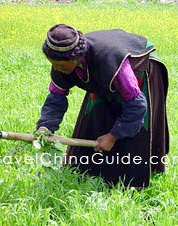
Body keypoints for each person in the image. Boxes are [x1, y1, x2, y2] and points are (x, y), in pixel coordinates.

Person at [36, 24, 169, 188]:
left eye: (61, 66)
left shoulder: (109, 61)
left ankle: (129, 184)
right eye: (54, 65)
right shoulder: (62, 64)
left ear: (76, 59)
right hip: (103, 76)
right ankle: (91, 173)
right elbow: (56, 98)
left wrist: (113, 136)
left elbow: (137, 106)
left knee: (131, 134)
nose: (57, 69)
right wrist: (45, 127)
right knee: (97, 119)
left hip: (138, 69)